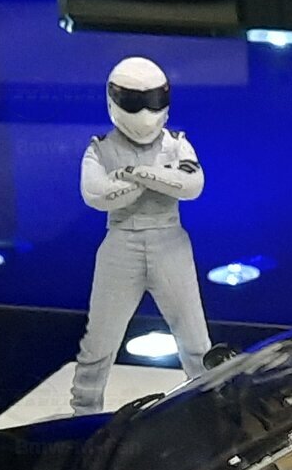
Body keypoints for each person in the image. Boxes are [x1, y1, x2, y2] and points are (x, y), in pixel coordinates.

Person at [72, 56, 211, 414]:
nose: (146, 113)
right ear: (114, 100)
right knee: (100, 342)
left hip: (170, 243)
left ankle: (210, 408)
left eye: (153, 100)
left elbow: (192, 184)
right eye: (135, 102)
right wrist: (156, 177)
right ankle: (85, 413)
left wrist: (135, 174)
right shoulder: (100, 148)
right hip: (122, 243)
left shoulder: (176, 142)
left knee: (195, 340)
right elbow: (95, 193)